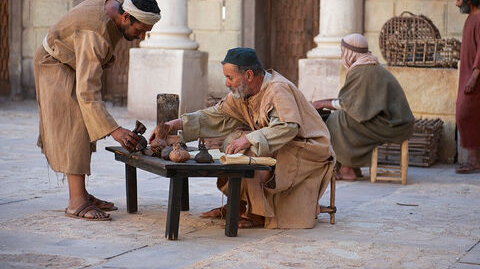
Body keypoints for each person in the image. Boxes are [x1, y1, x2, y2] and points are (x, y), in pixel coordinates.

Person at [150, 47, 335, 229]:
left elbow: (288, 127)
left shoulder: (278, 89)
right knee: (233, 142)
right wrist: (173, 124)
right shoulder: (242, 93)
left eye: (230, 77)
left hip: (307, 147)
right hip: (284, 143)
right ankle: (237, 205)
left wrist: (248, 140)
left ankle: (258, 213)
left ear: (248, 75)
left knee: (248, 150)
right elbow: (214, 115)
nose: (226, 83)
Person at [34, 0, 161, 220]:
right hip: (54, 64)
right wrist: (115, 130)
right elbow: (88, 92)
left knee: (84, 124)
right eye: (139, 30)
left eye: (146, 32)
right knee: (75, 127)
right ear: (125, 18)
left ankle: (81, 193)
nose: (141, 36)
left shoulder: (115, 2)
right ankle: (76, 202)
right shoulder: (96, 34)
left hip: (71, 61)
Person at [312, 34, 414, 181]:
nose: (342, 55)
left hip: (393, 125)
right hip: (394, 122)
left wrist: (321, 104)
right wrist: (324, 102)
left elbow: (349, 106)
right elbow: (355, 103)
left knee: (339, 121)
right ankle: (352, 166)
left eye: (343, 51)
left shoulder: (363, 70)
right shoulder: (368, 66)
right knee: (341, 117)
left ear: (350, 53)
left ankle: (347, 169)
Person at [455, 0, 480, 174]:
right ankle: (473, 161)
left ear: (469, 0)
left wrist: (474, 76)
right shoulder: (470, 18)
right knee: (467, 116)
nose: (456, 4)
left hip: (474, 77)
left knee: (467, 115)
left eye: (459, 0)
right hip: (467, 75)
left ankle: (474, 162)